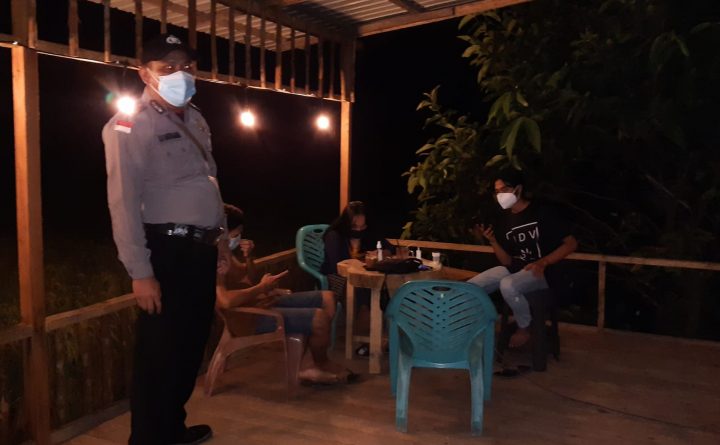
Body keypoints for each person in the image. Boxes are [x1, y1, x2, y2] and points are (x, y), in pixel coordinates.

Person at [103, 34, 229, 444]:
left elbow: (209, 182)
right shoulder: (129, 124)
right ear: (145, 74)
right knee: (158, 355)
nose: (181, 74)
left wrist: (221, 241)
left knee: (190, 346)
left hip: (200, 250)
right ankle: (146, 438)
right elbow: (123, 202)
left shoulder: (195, 118)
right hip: (166, 252)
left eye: (187, 66)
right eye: (168, 67)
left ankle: (171, 428)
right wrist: (140, 273)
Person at [216, 204, 354, 384]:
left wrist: (248, 257)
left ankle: (310, 361)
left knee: (328, 297)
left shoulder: (226, 252)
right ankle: (317, 364)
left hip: (261, 301)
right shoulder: (215, 258)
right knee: (319, 318)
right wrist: (261, 288)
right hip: (248, 318)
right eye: (237, 233)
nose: (239, 237)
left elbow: (246, 277)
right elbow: (225, 301)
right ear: (224, 231)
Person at [468, 169, 577, 348]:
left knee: (508, 284)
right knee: (471, 287)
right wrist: (493, 241)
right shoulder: (505, 220)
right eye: (497, 192)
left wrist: (543, 262)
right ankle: (471, 327)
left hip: (542, 272)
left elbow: (571, 244)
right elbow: (507, 262)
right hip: (518, 268)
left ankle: (524, 328)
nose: (500, 195)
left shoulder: (542, 212)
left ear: (518, 189)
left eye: (504, 189)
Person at [321, 201, 394, 357]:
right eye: (355, 227)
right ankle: (365, 341)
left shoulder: (369, 233)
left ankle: (379, 338)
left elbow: (390, 248)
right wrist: (360, 262)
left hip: (366, 278)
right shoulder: (334, 236)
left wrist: (380, 253)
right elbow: (335, 265)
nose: (359, 230)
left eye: (363, 226)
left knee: (384, 291)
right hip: (339, 278)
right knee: (365, 294)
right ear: (346, 224)